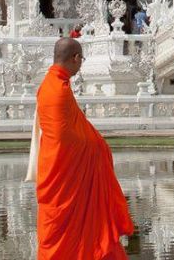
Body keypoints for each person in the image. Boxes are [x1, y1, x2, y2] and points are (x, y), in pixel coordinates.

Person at [28, 37, 134, 259]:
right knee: (69, 241)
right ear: (75, 58)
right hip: (66, 179)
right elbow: (63, 140)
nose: (81, 63)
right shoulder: (57, 89)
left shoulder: (52, 84)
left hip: (64, 174)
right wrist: (96, 149)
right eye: (81, 59)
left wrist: (96, 146)